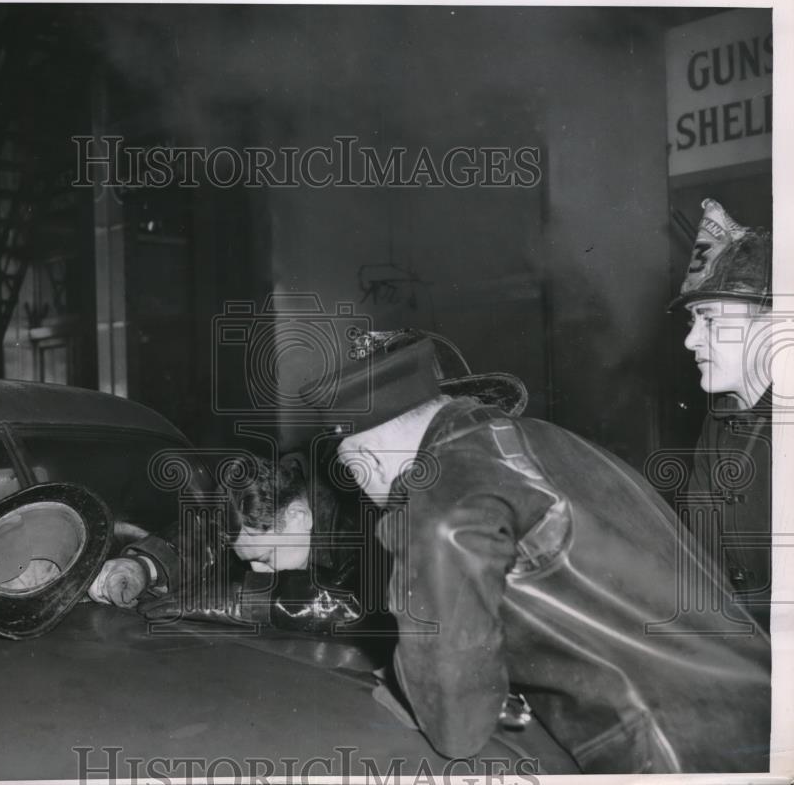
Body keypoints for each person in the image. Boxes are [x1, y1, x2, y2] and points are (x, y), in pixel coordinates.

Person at [300, 328, 770, 774]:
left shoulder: (439, 489)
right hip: (758, 716)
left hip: (669, 753)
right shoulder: (547, 438)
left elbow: (456, 728)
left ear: (367, 459)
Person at [87, 454, 367, 633]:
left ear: (298, 516)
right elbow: (203, 539)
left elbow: (358, 604)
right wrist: (144, 567)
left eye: (266, 556)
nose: (257, 572)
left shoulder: (364, 526)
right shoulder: (270, 497)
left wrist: (248, 600)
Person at [670, 198, 773, 632]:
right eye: (693, 321)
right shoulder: (721, 418)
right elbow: (700, 570)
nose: (691, 341)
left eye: (709, 320)